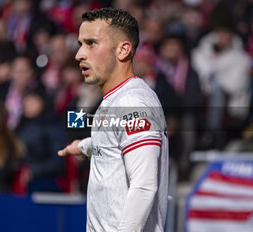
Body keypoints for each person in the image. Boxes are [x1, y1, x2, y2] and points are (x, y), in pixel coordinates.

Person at [58, 8, 168, 232]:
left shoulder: (133, 103)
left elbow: (144, 186)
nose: (79, 54)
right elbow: (113, 144)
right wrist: (84, 146)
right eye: (80, 44)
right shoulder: (114, 100)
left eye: (91, 43)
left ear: (123, 50)